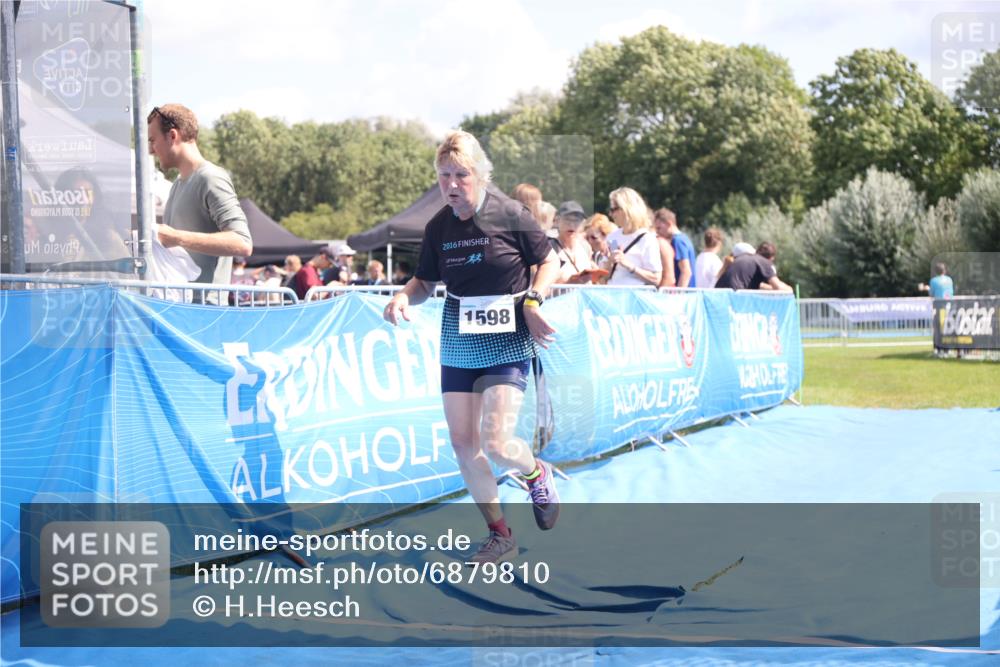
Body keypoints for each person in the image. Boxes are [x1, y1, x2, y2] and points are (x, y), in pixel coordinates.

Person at [383, 130, 561, 565]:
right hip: (459, 338)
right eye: (444, 175)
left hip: (508, 336)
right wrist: (404, 296)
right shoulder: (438, 227)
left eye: (461, 175)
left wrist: (534, 301)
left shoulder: (510, 213)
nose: (452, 184)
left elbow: (548, 260)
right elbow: (425, 281)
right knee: (463, 442)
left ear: (480, 175)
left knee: (497, 443)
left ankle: (536, 473)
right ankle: (500, 534)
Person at [147, 104, 252, 302]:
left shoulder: (210, 178)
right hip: (181, 307)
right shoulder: (177, 185)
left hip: (205, 311)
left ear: (172, 135)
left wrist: (175, 237)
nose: (151, 150)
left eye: (153, 140)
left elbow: (242, 242)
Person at [605, 187, 662, 287]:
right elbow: (603, 279)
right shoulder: (612, 237)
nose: (610, 214)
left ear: (627, 209)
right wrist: (610, 262)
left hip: (636, 294)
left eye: (613, 209)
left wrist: (628, 265)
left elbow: (656, 279)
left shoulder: (647, 239)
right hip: (612, 293)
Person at [716, 240, 792, 291]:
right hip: (735, 297)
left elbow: (757, 284)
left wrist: (771, 288)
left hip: (720, 294)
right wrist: (790, 289)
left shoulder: (745, 257)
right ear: (771, 259)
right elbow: (778, 287)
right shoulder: (764, 262)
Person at [551, 201, 598, 283]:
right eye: (567, 220)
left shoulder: (585, 246)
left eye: (577, 221)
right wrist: (569, 281)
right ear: (557, 221)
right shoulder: (549, 248)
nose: (572, 225)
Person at [653, 208, 695, 287]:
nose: (657, 232)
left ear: (669, 224)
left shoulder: (678, 241)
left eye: (659, 228)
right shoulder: (684, 238)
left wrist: (679, 293)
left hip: (685, 293)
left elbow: (686, 272)